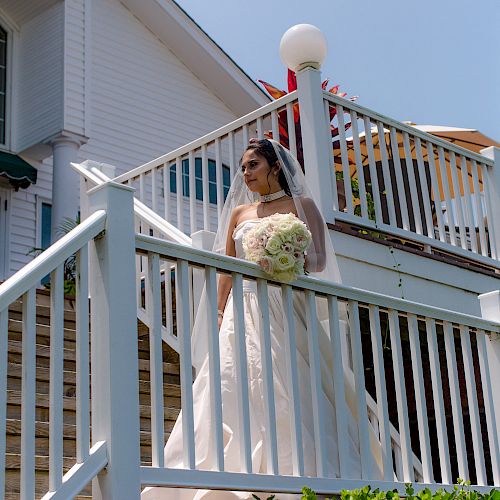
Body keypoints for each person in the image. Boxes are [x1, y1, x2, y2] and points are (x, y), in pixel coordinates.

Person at [142, 139, 383, 500]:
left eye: (252, 165)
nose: (245, 173)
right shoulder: (239, 214)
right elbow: (225, 268)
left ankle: (297, 467)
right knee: (230, 381)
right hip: (243, 309)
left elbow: (319, 261)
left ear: (274, 166)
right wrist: (221, 311)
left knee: (290, 378)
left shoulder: (303, 206)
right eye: (242, 167)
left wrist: (285, 254)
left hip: (283, 304)